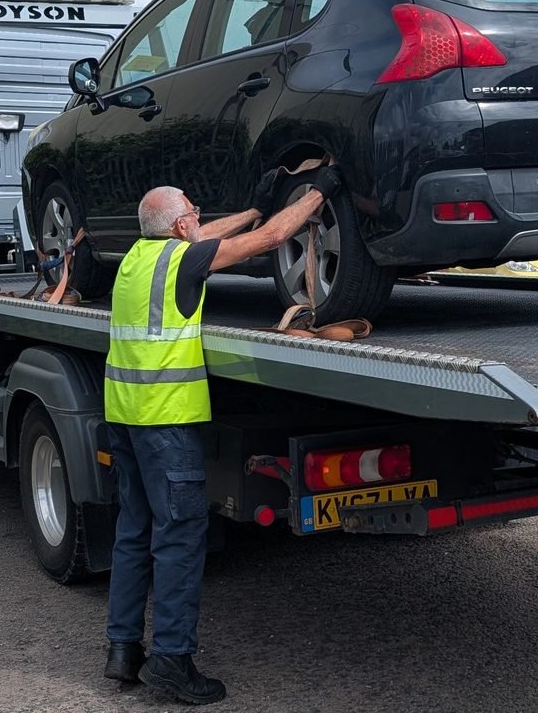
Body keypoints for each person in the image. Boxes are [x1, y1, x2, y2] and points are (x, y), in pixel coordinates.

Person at [102, 170, 339, 705]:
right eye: (194, 211)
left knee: (134, 531)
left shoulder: (136, 260)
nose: (200, 217)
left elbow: (212, 235)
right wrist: (320, 191)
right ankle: (171, 660)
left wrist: (253, 207)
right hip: (167, 424)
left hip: (125, 419)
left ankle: (122, 650)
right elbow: (274, 240)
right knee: (180, 539)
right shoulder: (183, 259)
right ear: (181, 224)